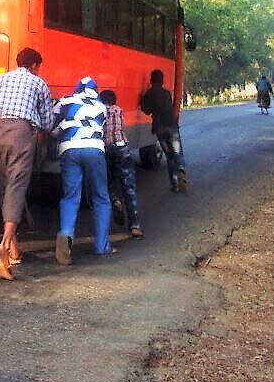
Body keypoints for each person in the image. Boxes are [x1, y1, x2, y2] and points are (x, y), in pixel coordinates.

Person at [0, 47, 55, 281]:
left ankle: (15, 250)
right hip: (21, 134)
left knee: (5, 186)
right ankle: (5, 243)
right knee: (18, 186)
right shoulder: (38, 83)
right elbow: (48, 121)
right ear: (35, 66)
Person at [52, 77, 115, 264]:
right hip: (94, 149)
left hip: (69, 150)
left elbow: (53, 127)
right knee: (101, 198)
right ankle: (101, 246)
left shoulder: (64, 101)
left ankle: (66, 234)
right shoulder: (101, 106)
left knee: (71, 197)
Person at [101, 88, 142, 239]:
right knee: (128, 187)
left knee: (109, 182)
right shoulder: (119, 110)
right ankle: (135, 226)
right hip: (121, 147)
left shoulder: (99, 111)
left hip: (105, 148)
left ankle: (115, 200)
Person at [140, 69, 187, 193]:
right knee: (177, 152)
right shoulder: (167, 93)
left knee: (169, 157)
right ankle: (181, 169)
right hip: (172, 126)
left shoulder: (150, 93)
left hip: (160, 128)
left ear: (151, 80)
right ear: (162, 81)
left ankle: (175, 185)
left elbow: (147, 110)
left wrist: (142, 98)